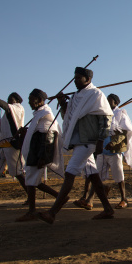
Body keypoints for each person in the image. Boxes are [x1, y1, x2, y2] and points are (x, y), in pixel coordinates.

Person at [38, 67, 114, 224]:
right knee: (93, 176)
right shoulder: (75, 97)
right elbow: (70, 118)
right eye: (75, 77)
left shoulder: (96, 94)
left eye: (79, 78)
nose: (75, 80)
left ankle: (53, 212)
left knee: (70, 172)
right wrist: (62, 103)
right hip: (78, 140)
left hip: (89, 141)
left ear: (88, 79)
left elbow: (106, 118)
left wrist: (101, 140)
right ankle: (108, 209)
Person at [15, 89, 62, 222]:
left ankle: (32, 211)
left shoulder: (46, 115)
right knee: (33, 181)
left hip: (39, 153)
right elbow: (37, 134)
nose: (29, 102)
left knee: (31, 181)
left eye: (32, 99)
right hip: (34, 151)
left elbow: (49, 136)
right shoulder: (39, 114)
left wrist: (43, 156)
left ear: (40, 100)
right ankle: (60, 197)